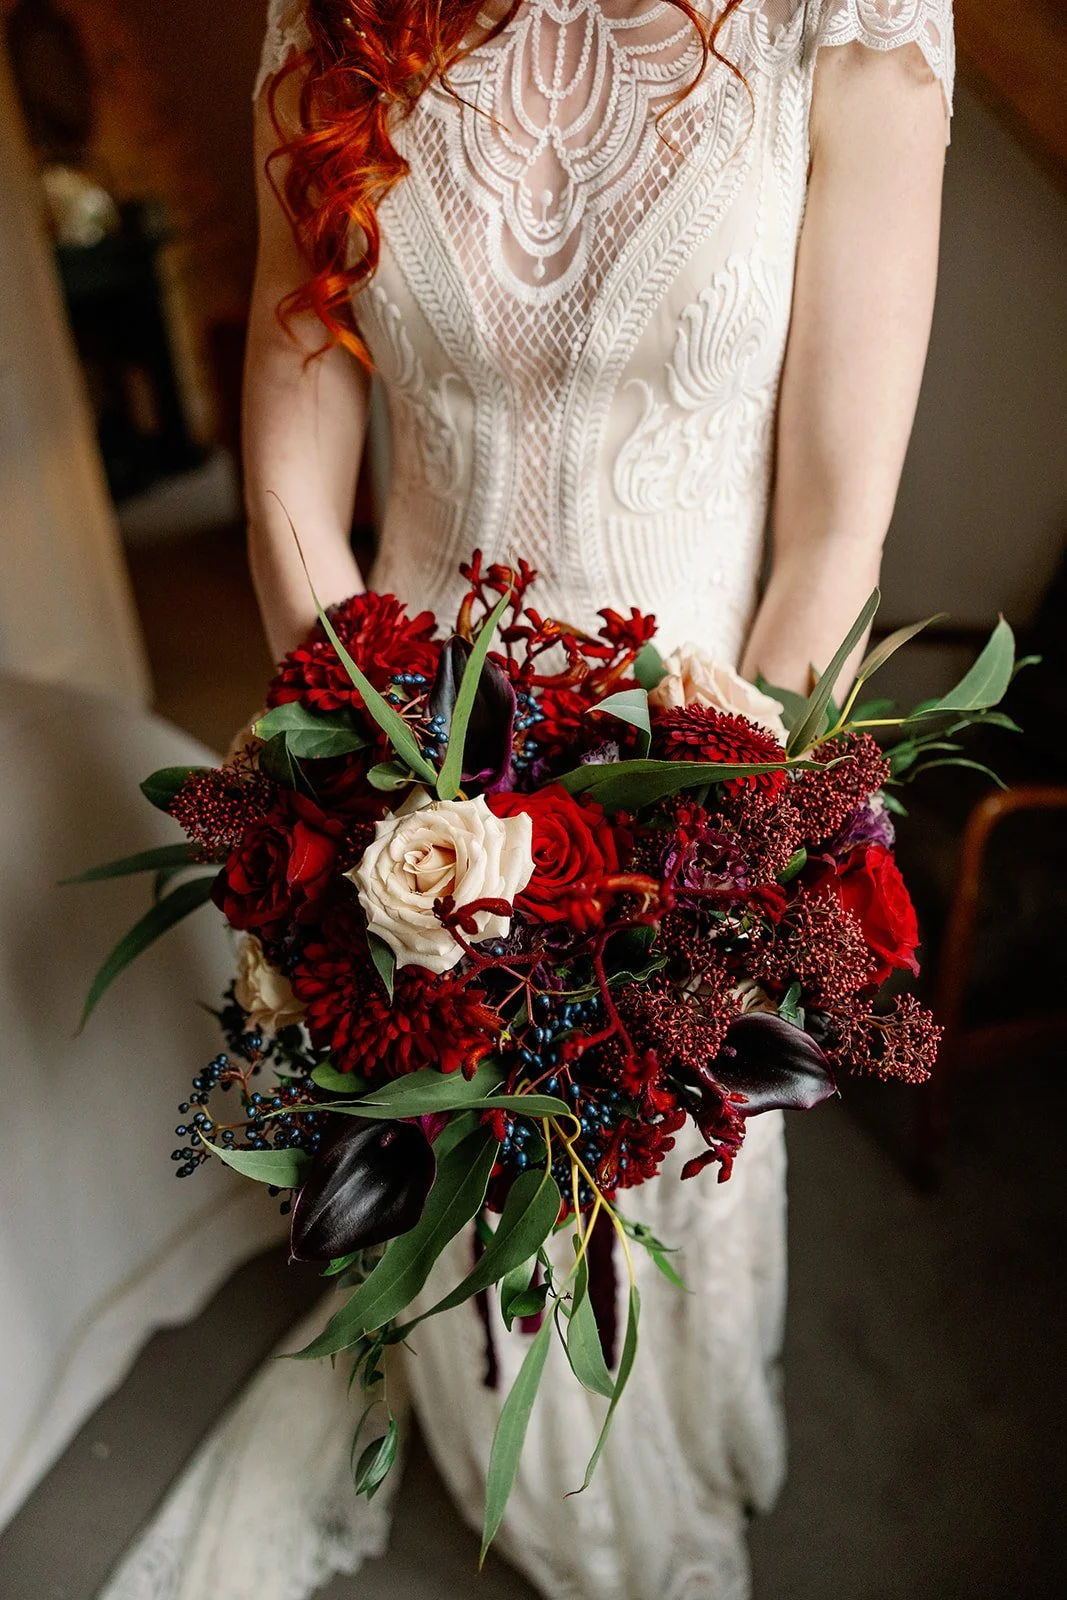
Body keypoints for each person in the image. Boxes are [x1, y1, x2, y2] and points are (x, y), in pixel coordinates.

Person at [102, 4, 954, 1598]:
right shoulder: (331, 17)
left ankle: (665, 1449)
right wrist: (362, 785)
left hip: (691, 759)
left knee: (656, 1183)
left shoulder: (852, 21)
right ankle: (546, 1499)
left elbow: (839, 524)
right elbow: (295, 473)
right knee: (454, 1167)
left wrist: (719, 849)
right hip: (408, 752)